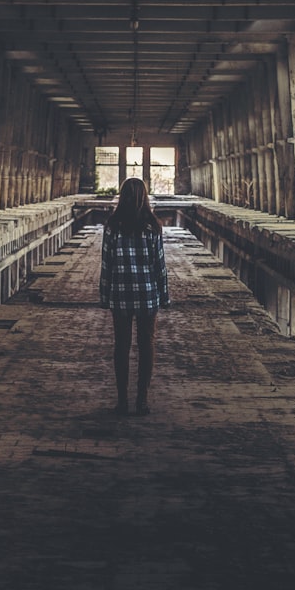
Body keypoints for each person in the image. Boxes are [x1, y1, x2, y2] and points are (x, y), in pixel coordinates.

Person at [98, 176, 169, 415]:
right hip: (147, 295)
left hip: (120, 296)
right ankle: (142, 400)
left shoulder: (112, 227)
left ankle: (122, 401)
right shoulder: (153, 227)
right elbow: (160, 265)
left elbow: (106, 264)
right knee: (146, 346)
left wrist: (104, 295)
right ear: (144, 198)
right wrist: (164, 295)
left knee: (122, 347)